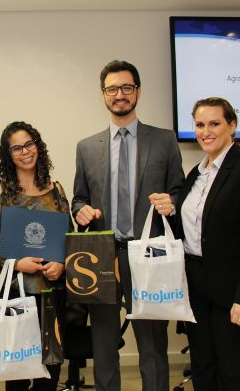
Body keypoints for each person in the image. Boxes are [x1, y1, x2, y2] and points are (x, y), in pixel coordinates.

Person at [71, 60, 184, 391]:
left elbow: (179, 191)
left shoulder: (164, 140)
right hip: (102, 256)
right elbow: (79, 199)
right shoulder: (86, 147)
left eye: (126, 87)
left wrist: (172, 203)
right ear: (103, 94)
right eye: (112, 89)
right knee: (104, 344)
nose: (119, 95)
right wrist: (80, 211)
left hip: (148, 254)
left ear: (137, 91)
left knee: (152, 345)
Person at [177, 97, 240, 391]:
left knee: (235, 372)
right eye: (199, 125)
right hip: (196, 287)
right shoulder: (196, 173)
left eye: (214, 123)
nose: (205, 131)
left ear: (232, 125)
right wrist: (170, 209)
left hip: (234, 289)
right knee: (203, 369)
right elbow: (197, 227)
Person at [0, 121, 71, 391]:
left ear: (38, 146)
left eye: (29, 144)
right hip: (14, 290)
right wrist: (16, 263)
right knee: (17, 369)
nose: (25, 152)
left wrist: (62, 263)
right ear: (8, 155)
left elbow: (70, 237)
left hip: (53, 290)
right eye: (17, 148)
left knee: (50, 369)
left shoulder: (56, 189)